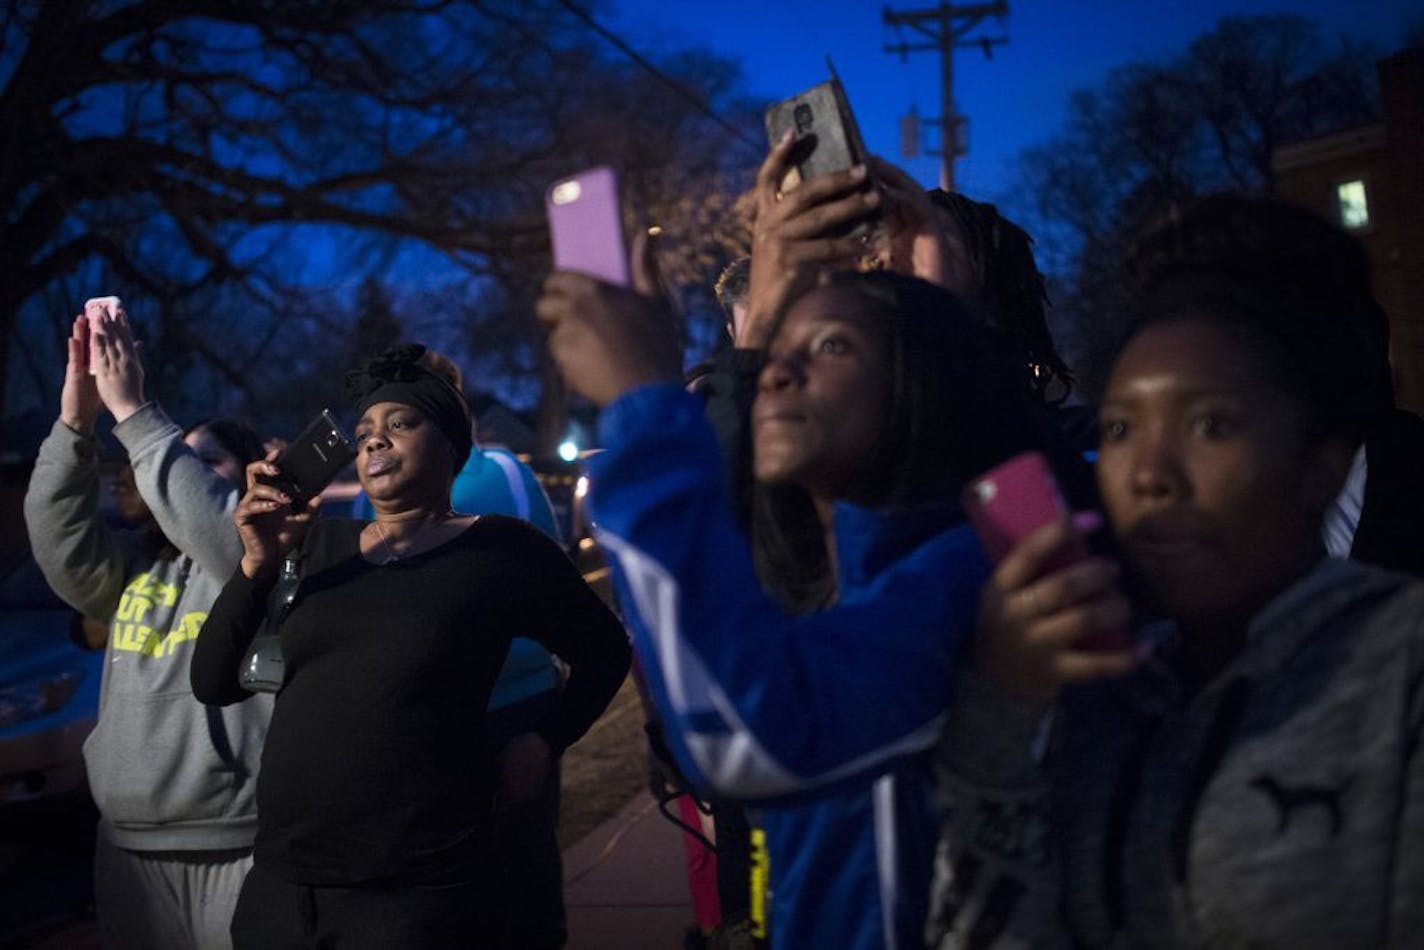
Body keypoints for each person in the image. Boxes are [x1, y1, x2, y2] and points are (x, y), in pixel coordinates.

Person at [928, 194, 1424, 947]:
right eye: (1122, 427)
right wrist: (998, 718)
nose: (1150, 474)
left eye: (1211, 425)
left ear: (1324, 465)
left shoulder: (1401, 669)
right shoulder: (1100, 694)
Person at [538, 263, 1079, 950]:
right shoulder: (852, 577)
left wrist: (643, 404)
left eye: (831, 346)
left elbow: (746, 735)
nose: (777, 373)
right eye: (779, 351)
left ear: (921, 386)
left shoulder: (969, 574)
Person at [190, 343, 630, 948]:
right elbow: (211, 681)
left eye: (400, 424)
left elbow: (606, 650)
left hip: (416, 893)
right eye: (365, 430)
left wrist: (544, 740)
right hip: (284, 886)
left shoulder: (501, 551)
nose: (374, 441)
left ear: (451, 444)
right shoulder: (319, 545)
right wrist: (257, 563)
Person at [24, 300, 271, 949]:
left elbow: (224, 534)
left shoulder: (258, 563)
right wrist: (76, 421)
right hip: (127, 848)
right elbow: (58, 540)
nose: (172, 475)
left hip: (237, 845)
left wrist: (135, 414)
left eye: (206, 460)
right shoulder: (134, 571)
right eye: (175, 459)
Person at [349, 347, 572, 950]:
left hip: (506, 705)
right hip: (445, 718)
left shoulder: (494, 475)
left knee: (511, 886)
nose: (382, 439)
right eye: (374, 424)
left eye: (407, 414)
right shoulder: (368, 499)